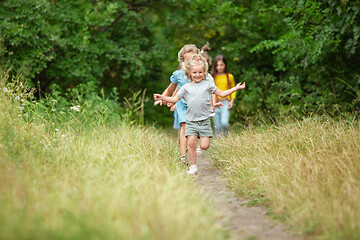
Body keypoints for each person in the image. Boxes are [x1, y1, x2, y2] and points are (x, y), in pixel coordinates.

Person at [154, 54, 246, 174]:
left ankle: (199, 136)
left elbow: (222, 94)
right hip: (191, 121)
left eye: (200, 72)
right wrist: (162, 97)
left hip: (204, 121)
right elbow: (174, 99)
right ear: (190, 73)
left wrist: (235, 88)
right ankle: (193, 166)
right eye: (195, 72)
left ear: (204, 72)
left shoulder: (208, 85)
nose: (197, 75)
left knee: (204, 146)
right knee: (191, 143)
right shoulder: (186, 88)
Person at [154, 43, 213, 164]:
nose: (190, 64)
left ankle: (191, 147)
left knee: (193, 132)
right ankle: (183, 156)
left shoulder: (199, 74)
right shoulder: (178, 75)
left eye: (192, 60)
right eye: (187, 61)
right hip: (182, 105)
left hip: (197, 107)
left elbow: (208, 90)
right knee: (184, 126)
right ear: (182, 62)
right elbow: (171, 89)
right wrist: (163, 98)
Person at [210, 55, 237, 137]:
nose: (220, 67)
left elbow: (233, 89)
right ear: (215, 66)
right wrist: (211, 104)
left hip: (225, 103)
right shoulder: (212, 77)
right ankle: (219, 144)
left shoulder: (229, 76)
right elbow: (211, 91)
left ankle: (226, 137)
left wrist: (232, 101)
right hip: (215, 103)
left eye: (222, 65)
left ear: (225, 65)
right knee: (217, 126)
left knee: (224, 122)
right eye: (217, 65)